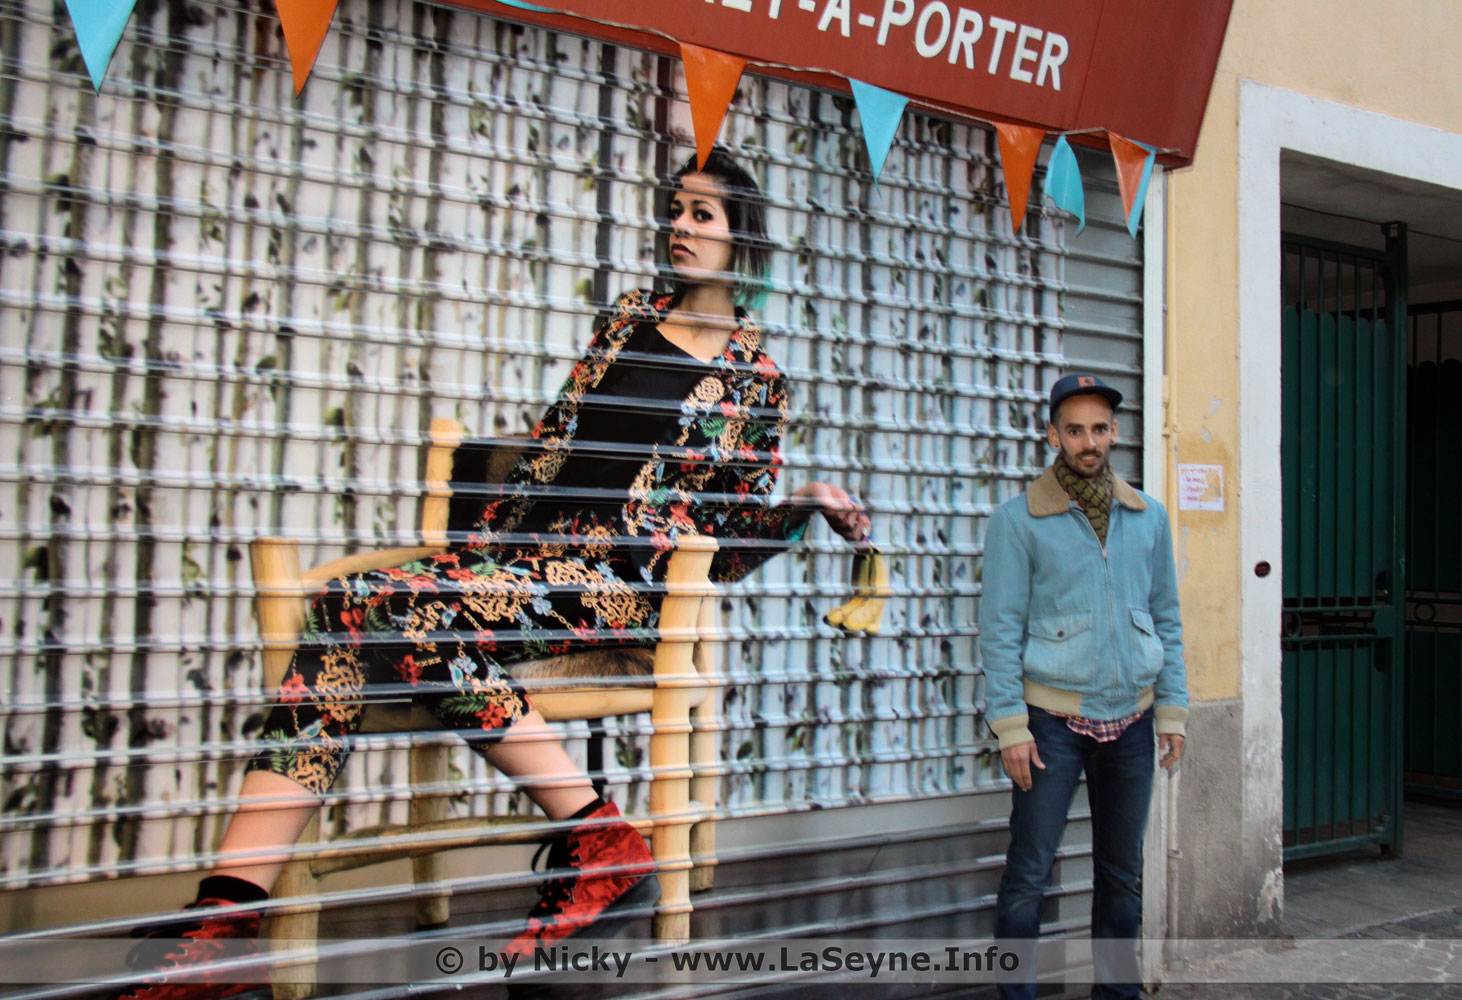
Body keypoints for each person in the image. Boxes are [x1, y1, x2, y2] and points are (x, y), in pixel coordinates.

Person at [117, 147, 869, 1000]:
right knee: (342, 612)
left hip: (616, 584)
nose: (681, 227)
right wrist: (480, 547)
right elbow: (556, 445)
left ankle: (599, 845)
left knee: (382, 612)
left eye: (703, 214)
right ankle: (225, 921)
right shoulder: (627, 319)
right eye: (676, 209)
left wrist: (802, 503)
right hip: (518, 563)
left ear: (742, 238)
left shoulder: (755, 382)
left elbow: (723, 546)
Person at [979, 372, 1188, 1000]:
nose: (1088, 441)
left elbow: (1166, 616)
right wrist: (1010, 727)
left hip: (1133, 721)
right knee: (1028, 874)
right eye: (1074, 430)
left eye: (1099, 429)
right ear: (1053, 435)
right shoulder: (1017, 521)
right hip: (1050, 726)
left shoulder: (1148, 517)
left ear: (1115, 432)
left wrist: (1172, 710)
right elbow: (999, 628)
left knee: (1122, 877)